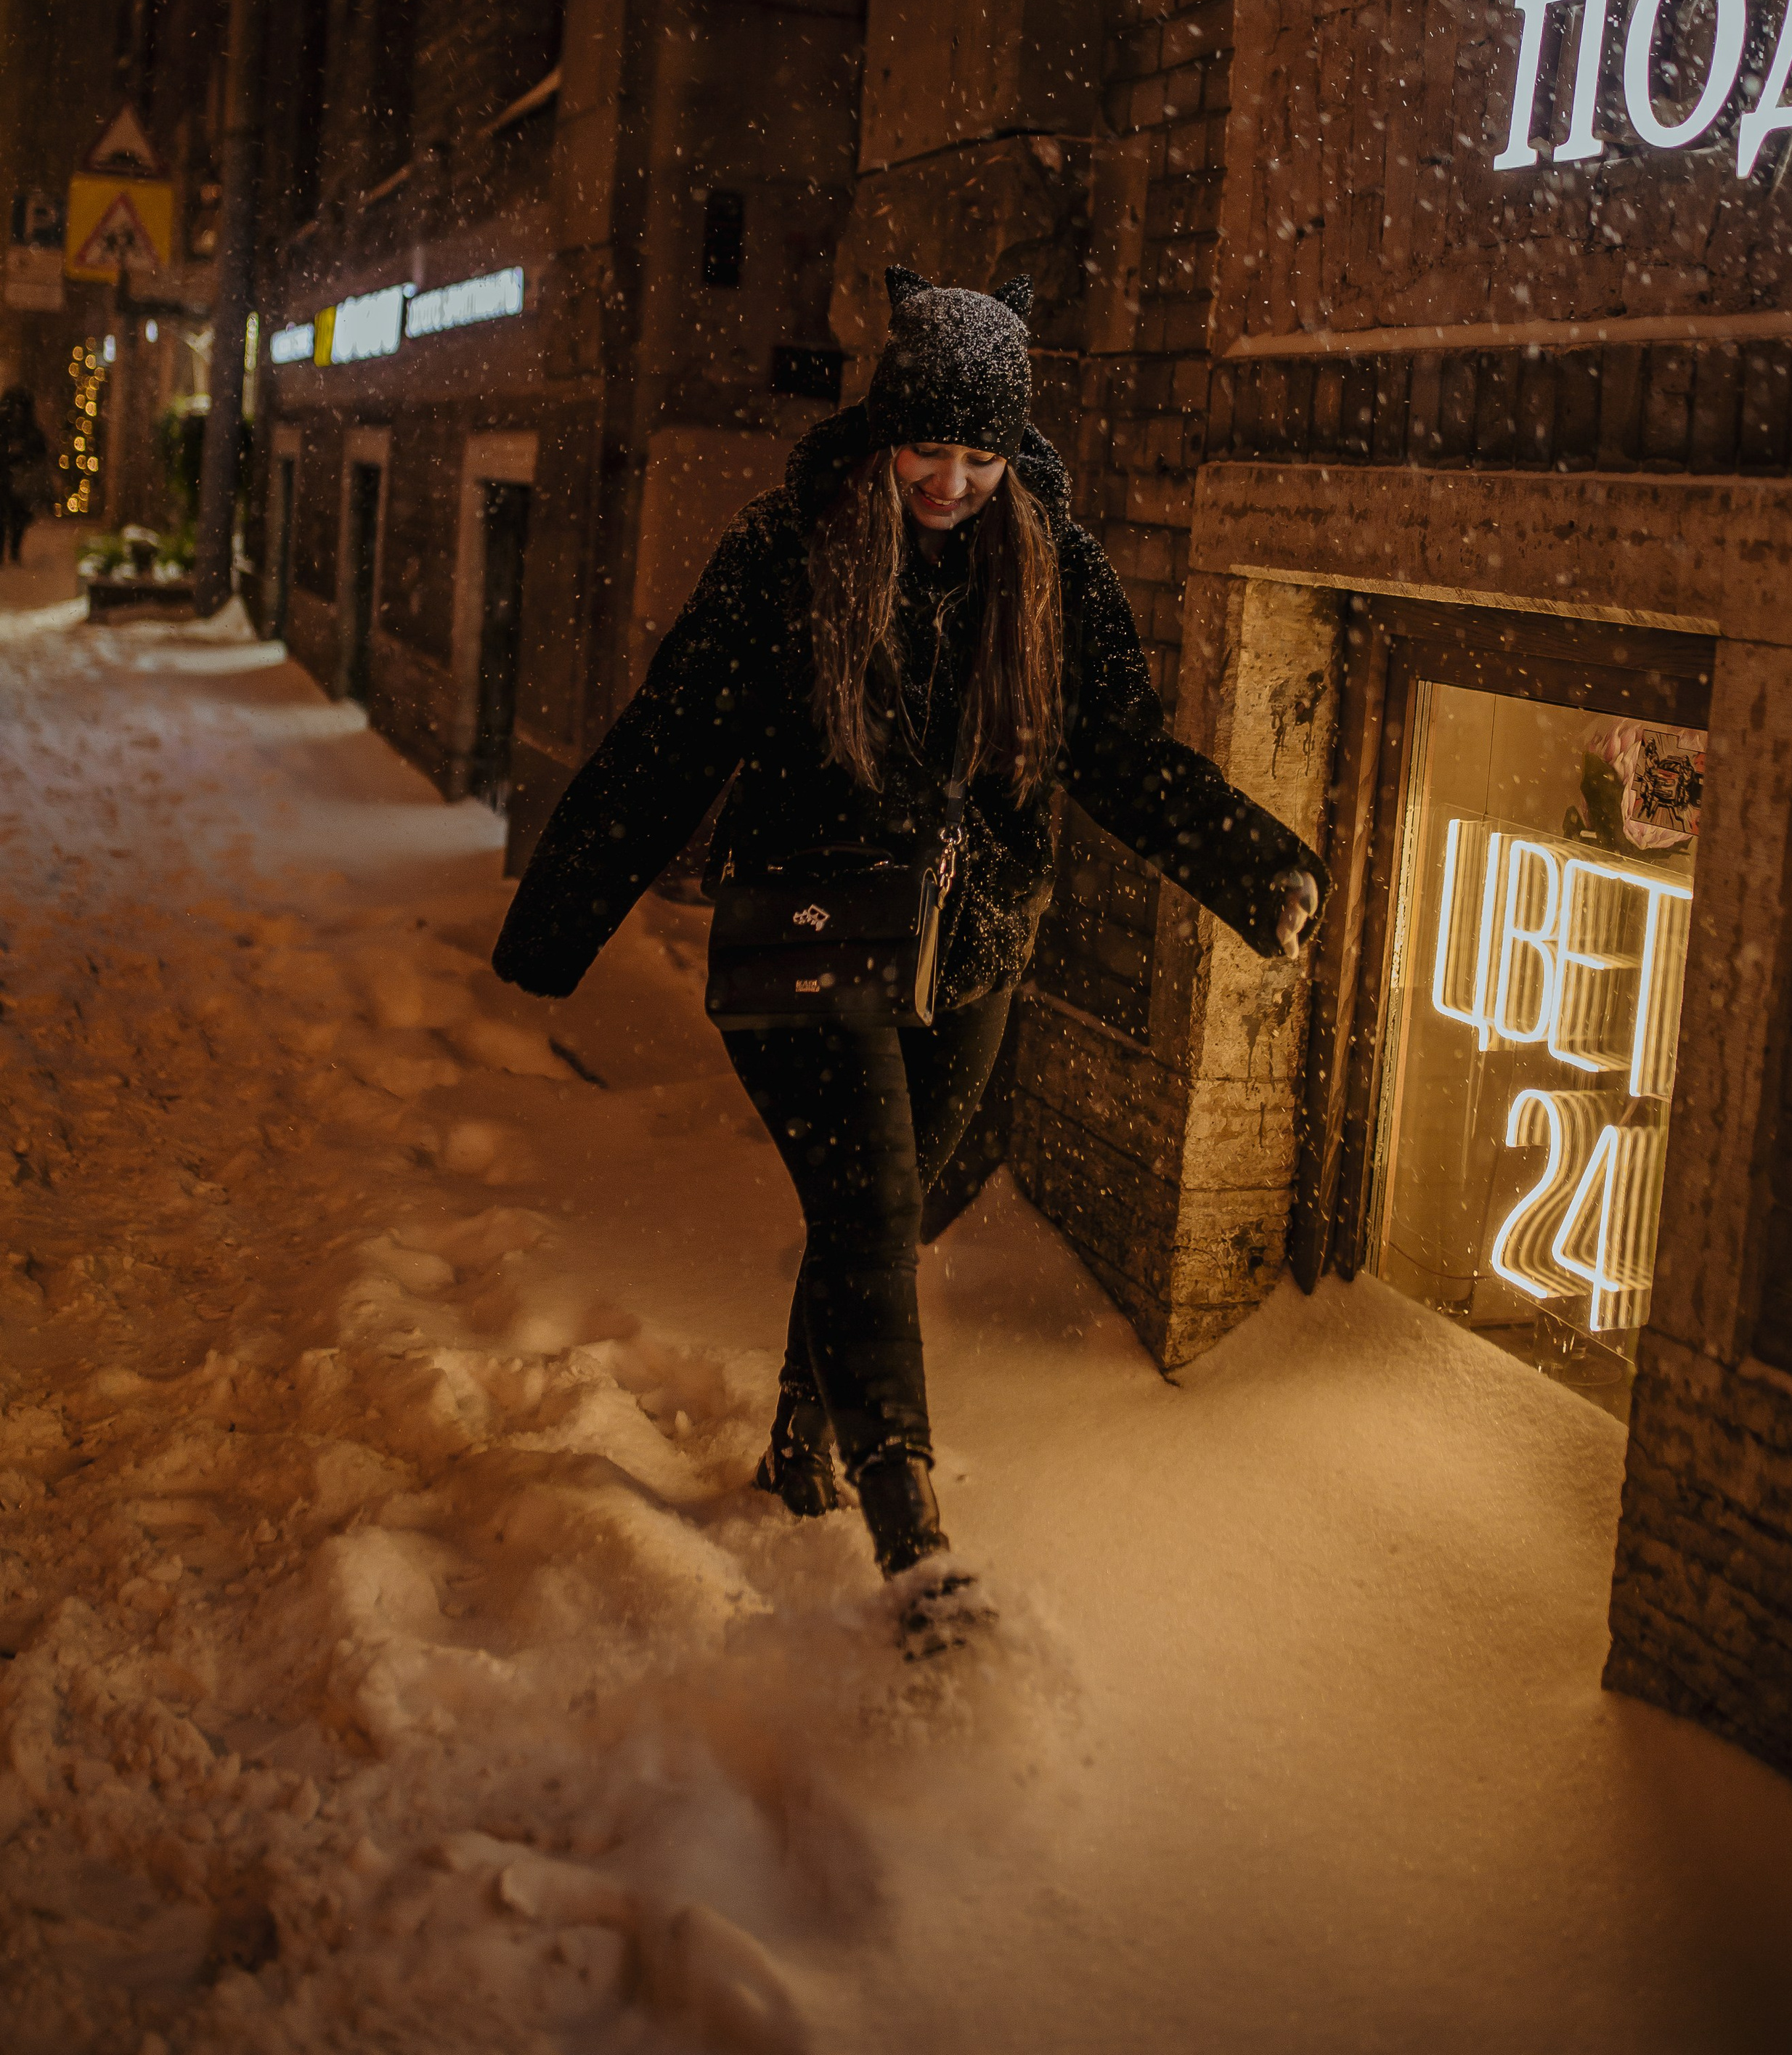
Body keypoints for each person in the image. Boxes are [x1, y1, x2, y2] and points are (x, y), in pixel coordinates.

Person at [494, 268, 1327, 1621]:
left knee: (877, 1216)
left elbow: (1118, 751)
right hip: (807, 931)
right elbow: (672, 737)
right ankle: (910, 1533)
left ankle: (802, 1440)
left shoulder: (1055, 566)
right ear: (886, 429)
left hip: (969, 950)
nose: (951, 481)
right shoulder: (791, 548)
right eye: (928, 448)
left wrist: (1252, 861)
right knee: (873, 1207)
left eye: (981, 456)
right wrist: (558, 919)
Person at [0, 384, 50, 565]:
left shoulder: (28, 428)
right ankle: (7, 551)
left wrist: (23, 453)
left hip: (20, 478)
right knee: (6, 516)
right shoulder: (7, 425)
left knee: (18, 516)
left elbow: (39, 448)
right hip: (6, 476)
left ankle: (14, 549)